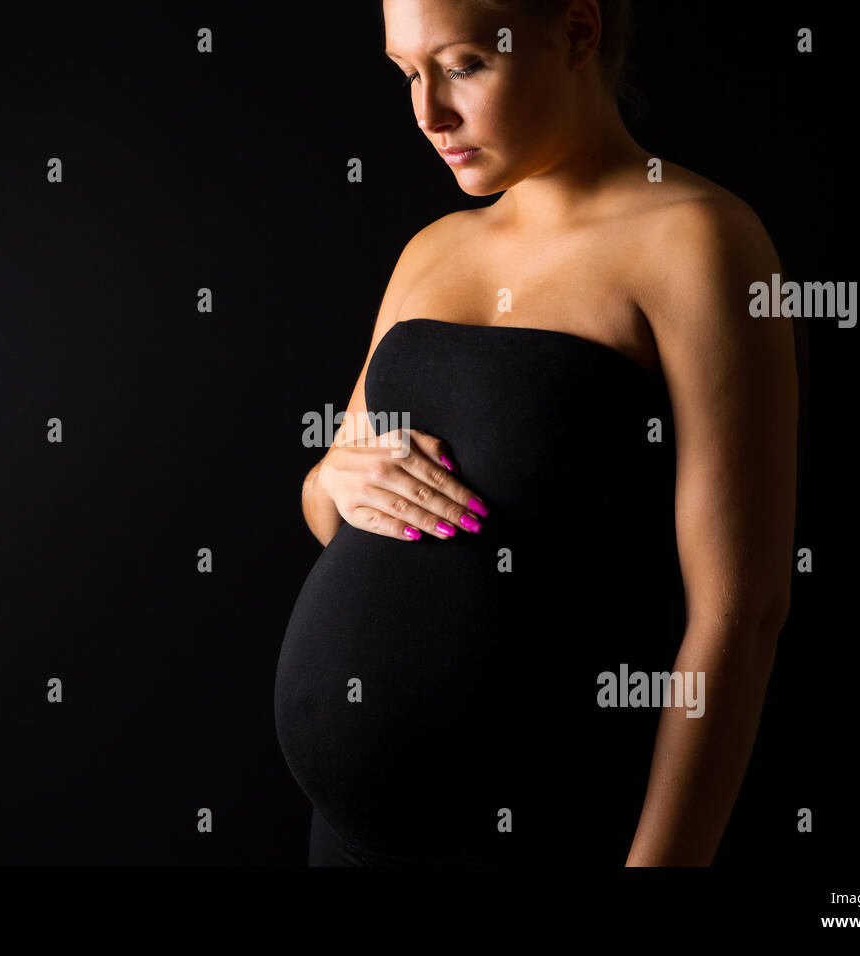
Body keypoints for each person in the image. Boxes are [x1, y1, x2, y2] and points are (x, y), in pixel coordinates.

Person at [274, 0, 802, 866]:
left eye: (465, 64)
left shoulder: (697, 241)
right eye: (408, 73)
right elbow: (330, 506)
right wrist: (332, 481)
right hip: (346, 839)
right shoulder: (431, 251)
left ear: (579, 32)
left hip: (552, 823)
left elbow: (740, 614)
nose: (427, 113)